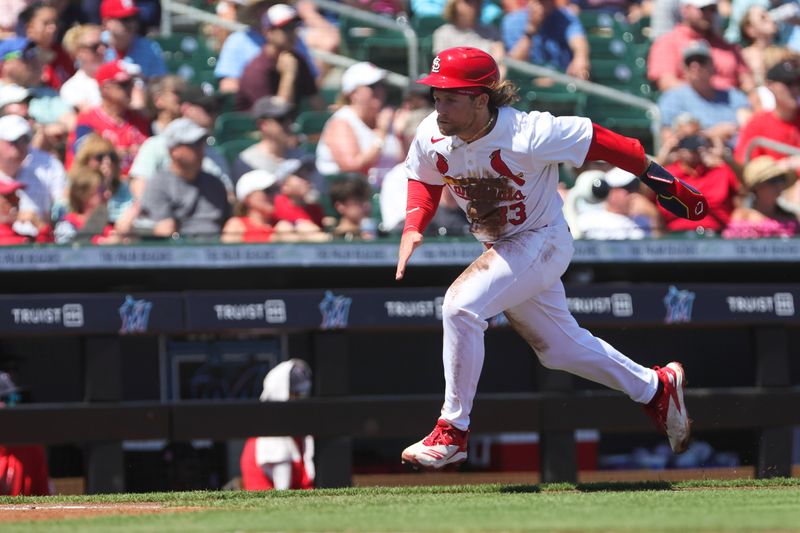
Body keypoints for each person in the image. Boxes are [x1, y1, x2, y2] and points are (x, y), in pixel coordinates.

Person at [396, 47, 694, 469]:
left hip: (543, 239)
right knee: (559, 350)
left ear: (481, 99)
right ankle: (656, 388)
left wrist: (662, 180)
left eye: (450, 97)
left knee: (460, 306)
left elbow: (603, 141)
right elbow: (422, 179)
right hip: (503, 248)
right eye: (437, 95)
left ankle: (453, 430)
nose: (439, 105)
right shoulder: (432, 131)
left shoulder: (530, 133)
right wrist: (413, 225)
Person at [129, 85, 231, 200]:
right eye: (208, 108)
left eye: (217, 108)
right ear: (186, 108)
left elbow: (228, 197)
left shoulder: (215, 155)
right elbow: (139, 189)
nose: (214, 114)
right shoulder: (155, 145)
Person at [137, 118, 231, 238]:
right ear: (173, 151)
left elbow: (228, 223)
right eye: (194, 144)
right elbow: (163, 231)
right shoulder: (158, 184)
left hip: (217, 251)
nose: (200, 150)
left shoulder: (215, 183)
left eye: (202, 143)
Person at [316, 62, 403, 186]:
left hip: (390, 192)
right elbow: (352, 168)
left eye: (380, 85)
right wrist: (381, 134)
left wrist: (402, 135)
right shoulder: (341, 122)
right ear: (353, 94)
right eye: (372, 86)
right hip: (354, 195)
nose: (379, 90)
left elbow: (405, 163)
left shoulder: (387, 117)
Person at [657, 40, 751, 149]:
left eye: (701, 60)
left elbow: (748, 126)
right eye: (689, 61)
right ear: (684, 69)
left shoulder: (732, 96)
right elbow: (669, 140)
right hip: (695, 160)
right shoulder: (672, 99)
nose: (695, 65)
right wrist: (711, 134)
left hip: (734, 159)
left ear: (712, 66)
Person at [240, 359, 315, 491]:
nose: (299, 399)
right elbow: (283, 495)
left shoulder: (295, 433)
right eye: (294, 394)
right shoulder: (270, 436)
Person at [649, 0, 754, 93]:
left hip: (731, 107)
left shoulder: (728, 47)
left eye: (712, 9)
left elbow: (747, 83)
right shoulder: (667, 42)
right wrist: (708, 95)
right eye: (703, 9)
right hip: (690, 108)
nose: (708, 14)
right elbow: (667, 84)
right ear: (685, 10)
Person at [67, 59, 150, 176]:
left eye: (132, 83)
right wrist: (117, 154)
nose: (131, 89)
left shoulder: (139, 118)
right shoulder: (88, 120)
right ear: (105, 89)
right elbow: (82, 159)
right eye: (124, 84)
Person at [236, 3, 319, 112]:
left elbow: (316, 102)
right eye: (285, 28)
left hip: (287, 126)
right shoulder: (256, 69)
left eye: (294, 27)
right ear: (268, 32)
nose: (291, 33)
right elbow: (273, 117)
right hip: (256, 128)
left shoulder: (298, 59)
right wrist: (288, 75)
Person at [660, 134, 740, 234]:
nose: (695, 153)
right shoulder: (667, 173)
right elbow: (645, 193)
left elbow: (744, 191)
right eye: (690, 148)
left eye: (698, 149)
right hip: (678, 236)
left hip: (715, 234)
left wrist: (724, 156)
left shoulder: (720, 170)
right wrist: (662, 157)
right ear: (679, 151)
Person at [0, 114, 66, 232]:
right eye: (13, 141)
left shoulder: (45, 171)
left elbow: (60, 210)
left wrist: (40, 224)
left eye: (24, 140)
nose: (19, 146)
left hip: (38, 244)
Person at [502, 0, 590, 79]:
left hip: (562, 80)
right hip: (528, 84)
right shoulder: (513, 21)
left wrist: (580, 57)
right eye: (539, 2)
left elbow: (578, 39)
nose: (544, 5)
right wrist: (531, 30)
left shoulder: (566, 17)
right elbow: (514, 64)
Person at [734, 59, 800, 162]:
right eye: (789, 83)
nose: (796, 89)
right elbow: (749, 169)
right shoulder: (757, 125)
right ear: (770, 86)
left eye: (798, 83)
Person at [0, 371, 51, 496]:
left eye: (13, 399)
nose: (9, 405)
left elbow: (43, 499)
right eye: (4, 399)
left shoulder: (31, 448)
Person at [724, 154, 800, 236]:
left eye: (781, 179)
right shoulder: (743, 216)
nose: (780, 185)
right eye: (773, 180)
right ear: (757, 186)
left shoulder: (791, 217)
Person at [99, 0, 167, 80]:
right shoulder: (95, 45)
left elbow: (160, 84)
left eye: (134, 17)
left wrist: (144, 80)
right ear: (106, 22)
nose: (132, 23)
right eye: (125, 19)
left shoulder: (150, 48)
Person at [18, 1, 76, 91]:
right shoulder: (19, 57)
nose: (53, 28)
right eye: (46, 23)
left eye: (55, 22)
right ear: (29, 27)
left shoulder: (64, 54)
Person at [433, 0, 505, 60]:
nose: (473, 5)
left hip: (489, 75)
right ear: (454, 5)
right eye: (467, 1)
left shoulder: (491, 32)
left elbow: (500, 62)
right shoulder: (442, 33)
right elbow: (442, 65)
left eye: (476, 1)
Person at [223, 169, 279, 243]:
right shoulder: (236, 226)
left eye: (275, 190)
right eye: (267, 190)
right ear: (248, 198)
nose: (274, 195)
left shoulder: (281, 225)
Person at [60, 24, 106, 112]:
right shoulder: (71, 89)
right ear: (77, 52)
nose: (102, 49)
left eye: (104, 44)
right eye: (94, 47)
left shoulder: (121, 74)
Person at [328, 173, 376, 240]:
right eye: (359, 201)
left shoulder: (379, 236)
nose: (366, 205)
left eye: (367, 199)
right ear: (340, 206)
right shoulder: (330, 239)